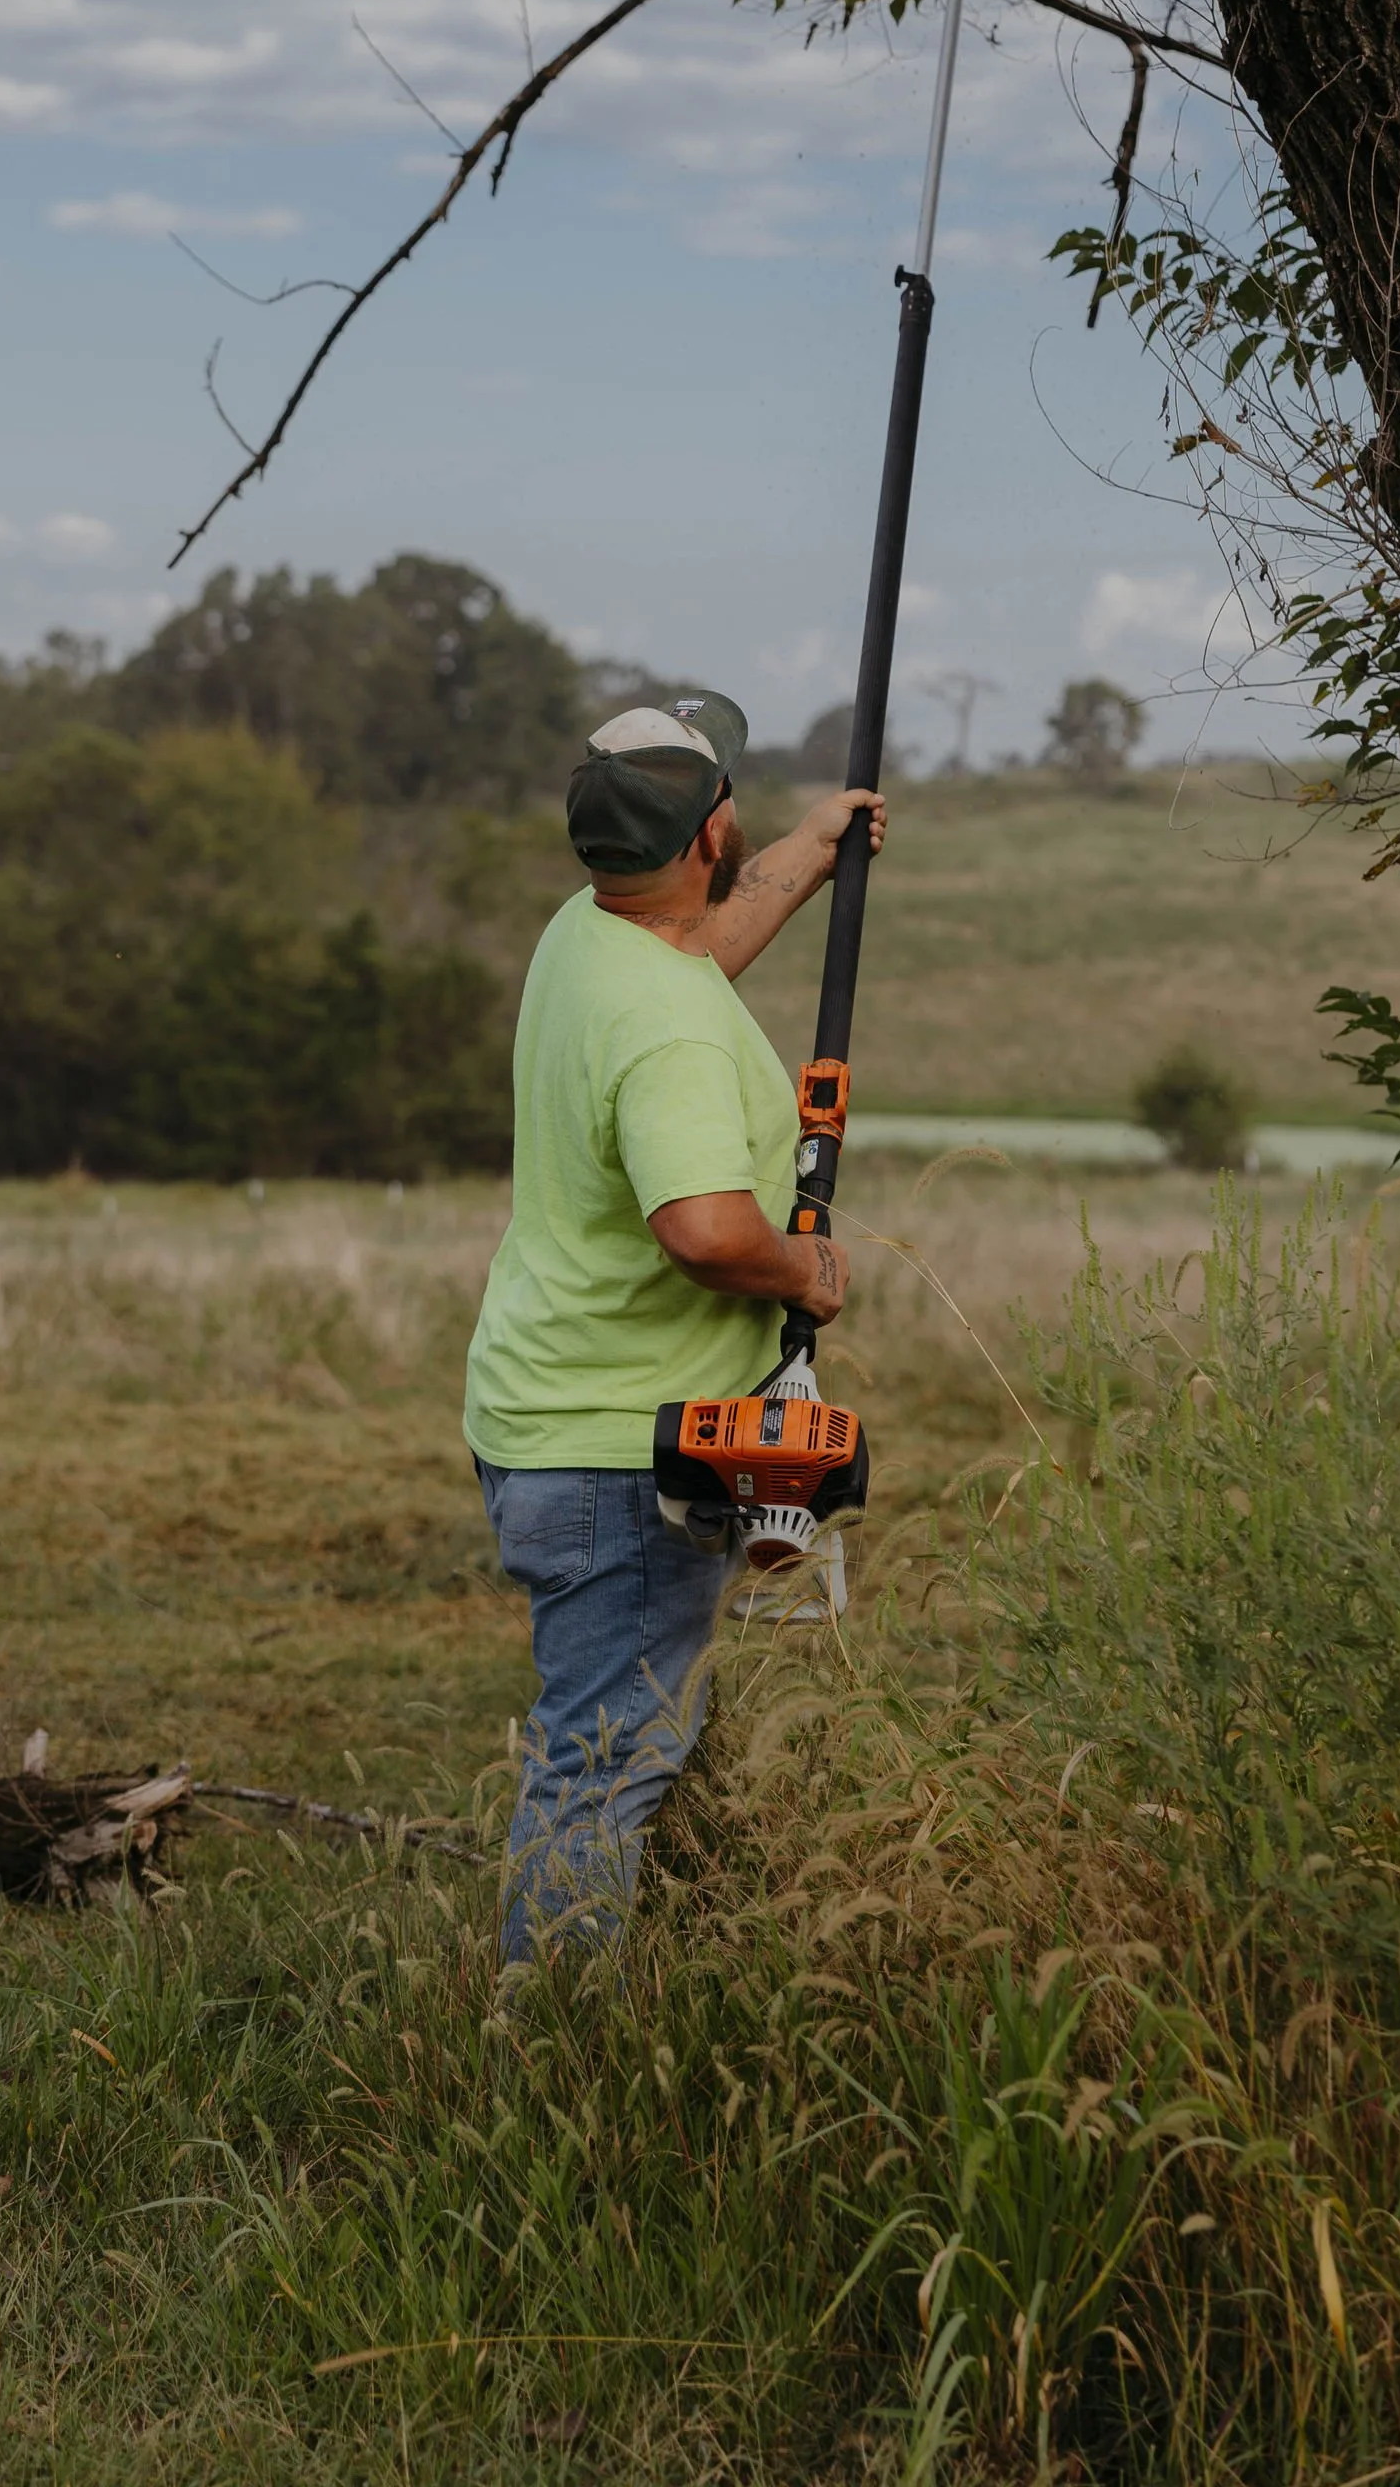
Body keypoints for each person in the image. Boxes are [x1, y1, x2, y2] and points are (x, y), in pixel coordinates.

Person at [464, 689, 883, 1965]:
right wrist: (803, 1269)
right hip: (616, 1459)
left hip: (551, 1410)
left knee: (624, 1744)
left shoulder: (587, 931)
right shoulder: (671, 1034)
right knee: (599, 1770)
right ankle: (550, 2065)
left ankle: (609, 2003)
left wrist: (810, 854)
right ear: (710, 832)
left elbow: (691, 948)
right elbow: (704, 1231)